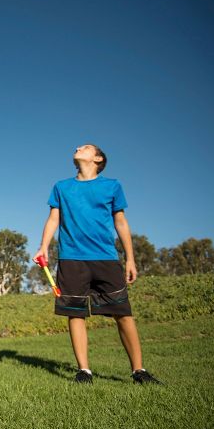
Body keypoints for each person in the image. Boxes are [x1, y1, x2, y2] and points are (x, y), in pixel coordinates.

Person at [33, 143, 161, 385]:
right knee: (75, 313)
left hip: (106, 258)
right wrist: (43, 246)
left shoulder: (112, 186)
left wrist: (130, 259)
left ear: (98, 158)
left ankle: (139, 371)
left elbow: (121, 223)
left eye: (87, 147)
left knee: (123, 312)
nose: (79, 147)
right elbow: (53, 219)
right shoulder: (61, 187)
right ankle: (84, 371)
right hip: (71, 259)